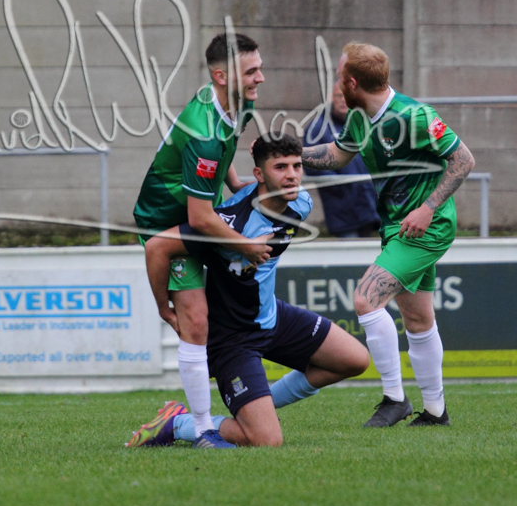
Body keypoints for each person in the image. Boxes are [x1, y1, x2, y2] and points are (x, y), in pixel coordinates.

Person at [127, 134, 370, 448]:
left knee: (355, 360)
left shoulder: (301, 202)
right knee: (266, 441)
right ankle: (178, 422)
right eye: (280, 167)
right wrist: (164, 307)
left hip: (272, 317)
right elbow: (157, 247)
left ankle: (259, 407)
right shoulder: (226, 223)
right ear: (259, 174)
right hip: (233, 337)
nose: (292, 175)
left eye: (296, 166)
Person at [299, 42, 475, 427]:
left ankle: (395, 399)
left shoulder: (415, 116)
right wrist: (291, 151)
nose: (336, 84)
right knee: (418, 319)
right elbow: (337, 155)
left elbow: (463, 159)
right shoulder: (360, 118)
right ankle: (436, 412)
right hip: (396, 227)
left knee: (366, 299)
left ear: (352, 83)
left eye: (339, 77)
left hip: (427, 227)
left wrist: (428, 208)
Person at [131, 32, 272, 449]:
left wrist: (235, 184)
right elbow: (199, 217)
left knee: (229, 303)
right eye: (251, 71)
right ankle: (202, 429)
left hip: (199, 214)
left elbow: (223, 155)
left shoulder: (237, 104)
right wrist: (244, 244)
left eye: (260, 68)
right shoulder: (204, 132)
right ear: (221, 76)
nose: (260, 78)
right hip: (167, 223)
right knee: (195, 322)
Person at [304, 78, 380, 238]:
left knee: (367, 250)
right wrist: (339, 184)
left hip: (367, 204)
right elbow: (311, 165)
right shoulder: (317, 128)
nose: (344, 100)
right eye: (339, 96)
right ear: (331, 98)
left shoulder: (363, 124)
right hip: (342, 208)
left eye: (348, 96)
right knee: (349, 250)